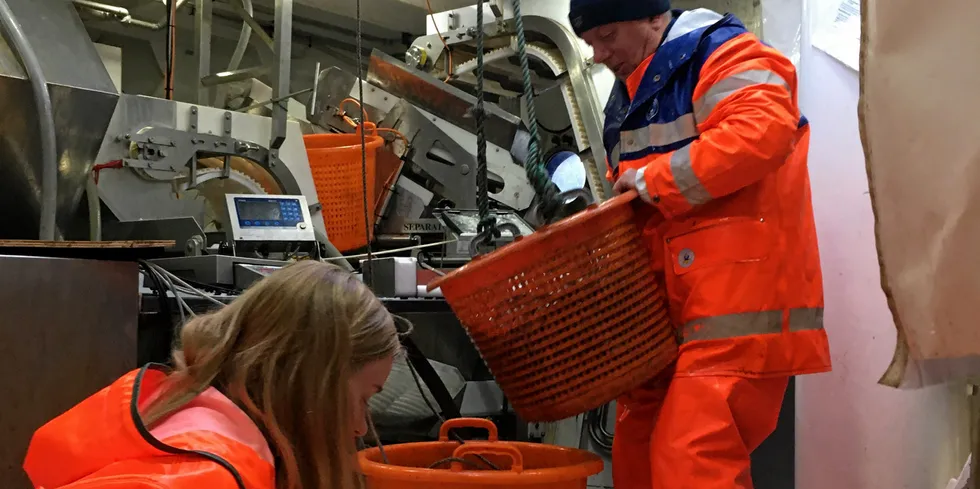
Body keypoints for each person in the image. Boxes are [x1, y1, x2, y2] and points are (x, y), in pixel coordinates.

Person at [568, 1, 832, 488]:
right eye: (590, 44)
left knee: (690, 457)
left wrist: (653, 181)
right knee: (637, 451)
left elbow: (763, 131)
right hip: (666, 320)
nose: (601, 53)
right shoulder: (625, 100)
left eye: (608, 35)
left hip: (737, 307)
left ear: (651, 16)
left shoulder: (722, 53)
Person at [22, 261, 401, 489]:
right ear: (309, 381)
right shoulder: (206, 475)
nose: (359, 428)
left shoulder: (184, 413)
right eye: (363, 398)